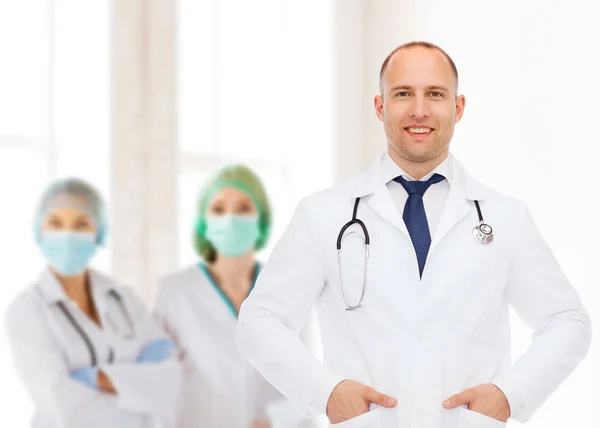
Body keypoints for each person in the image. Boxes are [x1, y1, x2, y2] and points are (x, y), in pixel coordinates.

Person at [236, 41, 592, 428]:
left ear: (458, 108)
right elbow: (260, 320)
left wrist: (511, 394)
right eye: (403, 93)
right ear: (380, 106)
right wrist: (326, 391)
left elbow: (568, 321)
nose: (419, 110)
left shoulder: (505, 217)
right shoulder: (323, 214)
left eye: (435, 94)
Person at [4, 178, 181, 428]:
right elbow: (64, 410)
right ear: (39, 231)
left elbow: (169, 380)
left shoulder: (123, 298)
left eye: (81, 224)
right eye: (55, 223)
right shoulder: (28, 310)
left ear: (99, 232)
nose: (68, 234)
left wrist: (94, 379)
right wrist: (138, 396)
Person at [153, 165, 313, 428]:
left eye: (243, 208)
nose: (230, 218)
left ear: (261, 219)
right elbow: (158, 387)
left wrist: (276, 421)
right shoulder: (174, 292)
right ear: (204, 221)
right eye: (218, 209)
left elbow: (305, 382)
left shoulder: (288, 289)